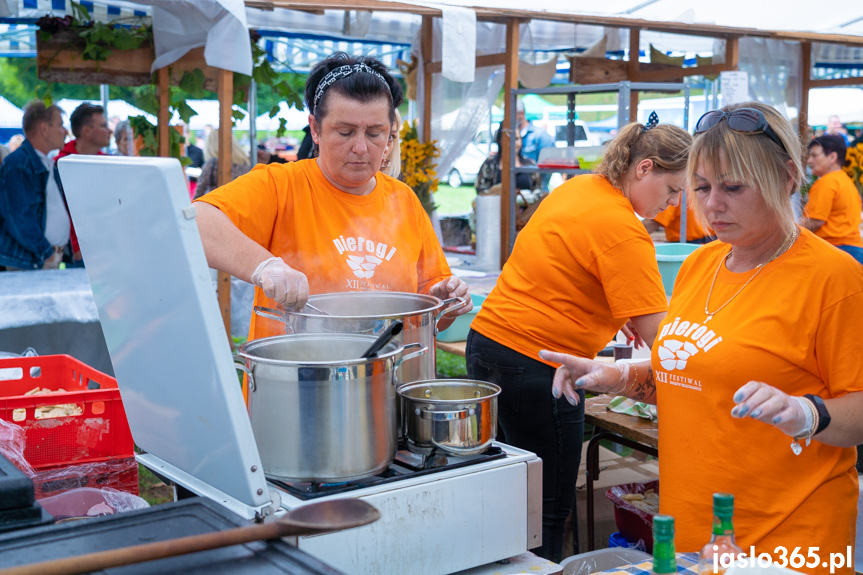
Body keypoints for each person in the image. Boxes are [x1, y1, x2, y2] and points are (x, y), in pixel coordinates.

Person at [543, 102, 863, 572]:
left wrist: (805, 412)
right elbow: (695, 377)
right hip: (695, 532)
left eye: (733, 187)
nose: (712, 204)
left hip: (789, 540)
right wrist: (615, 376)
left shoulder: (834, 277)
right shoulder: (700, 265)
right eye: (701, 187)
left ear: (788, 178)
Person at [465, 118, 692, 562]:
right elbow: (667, 345)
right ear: (644, 168)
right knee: (547, 509)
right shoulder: (624, 229)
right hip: (538, 367)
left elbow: (566, 267)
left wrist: (617, 310)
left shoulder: (579, 188)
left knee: (515, 492)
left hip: (487, 344)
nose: (672, 205)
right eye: (672, 191)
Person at [193, 52, 472, 344]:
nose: (361, 148)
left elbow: (432, 308)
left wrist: (446, 299)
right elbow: (195, 224)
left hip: (390, 376)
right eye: (345, 132)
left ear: (391, 135)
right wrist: (265, 266)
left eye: (375, 133)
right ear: (315, 129)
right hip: (296, 377)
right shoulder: (280, 184)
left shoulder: (404, 200)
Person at [0, 100, 68, 270]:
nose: (65, 131)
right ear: (44, 128)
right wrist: (47, 252)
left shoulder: (42, 162)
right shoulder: (19, 163)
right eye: (60, 125)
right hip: (32, 260)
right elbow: (19, 217)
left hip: (42, 258)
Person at [54, 102, 113, 266]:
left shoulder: (110, 164)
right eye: (103, 126)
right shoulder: (60, 165)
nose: (109, 130)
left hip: (111, 250)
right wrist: (75, 247)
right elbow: (61, 212)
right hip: (80, 254)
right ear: (86, 131)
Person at [800, 134, 863, 264]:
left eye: (814, 155)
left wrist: (788, 231)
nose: (809, 161)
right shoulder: (844, 180)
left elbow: (815, 221)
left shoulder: (827, 182)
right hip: (853, 249)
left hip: (836, 249)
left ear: (832, 157)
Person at [475, 128, 541, 196]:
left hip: (527, 205)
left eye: (517, 139)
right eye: (509, 139)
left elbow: (538, 190)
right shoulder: (490, 164)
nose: (514, 143)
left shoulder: (529, 164)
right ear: (500, 140)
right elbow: (481, 190)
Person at [193, 130, 251, 199]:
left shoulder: (212, 163)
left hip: (218, 204)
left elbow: (200, 191)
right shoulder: (244, 162)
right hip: (240, 203)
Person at [516, 99, 554, 190]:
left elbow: (548, 167)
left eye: (509, 113)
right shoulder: (506, 136)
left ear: (521, 113)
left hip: (536, 192)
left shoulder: (541, 135)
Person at [643, 198, 714, 243]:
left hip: (684, 251)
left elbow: (652, 223)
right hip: (713, 248)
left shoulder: (678, 190)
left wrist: (633, 233)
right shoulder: (705, 185)